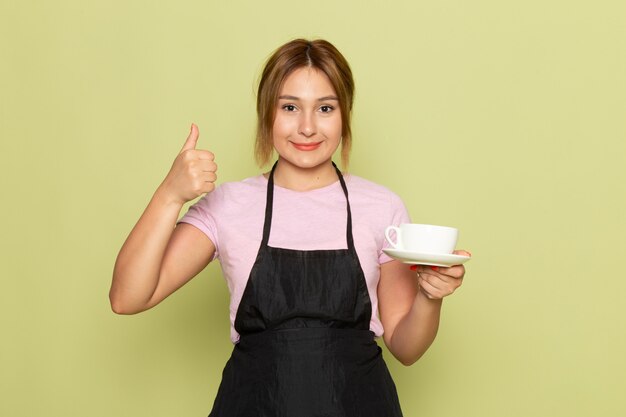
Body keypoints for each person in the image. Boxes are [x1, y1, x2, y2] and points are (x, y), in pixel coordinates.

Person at [110, 38, 470, 417]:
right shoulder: (229, 205)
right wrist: (169, 195)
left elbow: (406, 347)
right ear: (268, 113)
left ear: (344, 115)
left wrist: (431, 296)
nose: (307, 127)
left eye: (325, 108)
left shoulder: (381, 207)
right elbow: (127, 297)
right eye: (290, 107)